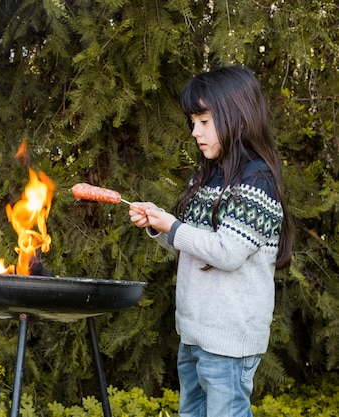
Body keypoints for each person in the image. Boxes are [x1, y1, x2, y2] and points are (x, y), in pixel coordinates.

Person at [129, 65, 293, 417]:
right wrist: (160, 225)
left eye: (204, 121)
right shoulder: (208, 178)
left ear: (237, 116)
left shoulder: (255, 181)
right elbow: (194, 244)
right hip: (195, 334)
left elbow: (227, 252)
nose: (195, 132)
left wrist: (174, 227)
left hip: (229, 340)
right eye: (193, 122)